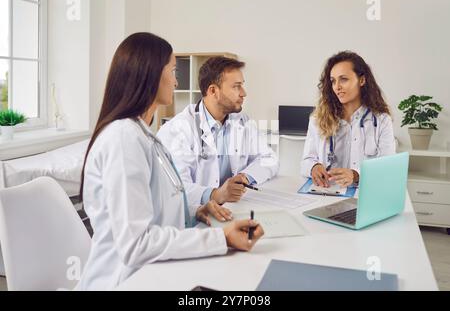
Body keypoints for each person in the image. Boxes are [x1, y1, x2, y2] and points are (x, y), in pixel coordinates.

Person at [77, 33, 264, 290]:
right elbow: (136, 244)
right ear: (150, 74)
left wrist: (194, 211)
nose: (177, 81)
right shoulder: (123, 139)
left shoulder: (144, 136)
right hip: (125, 281)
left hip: (156, 272)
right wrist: (222, 238)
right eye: (173, 71)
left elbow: (156, 205)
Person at [157, 57, 279, 207]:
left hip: (235, 208)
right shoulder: (178, 129)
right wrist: (215, 195)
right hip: (197, 218)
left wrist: (244, 177)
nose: (244, 93)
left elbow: (270, 158)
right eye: (236, 86)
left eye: (242, 86)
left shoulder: (242, 121)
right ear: (213, 91)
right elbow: (176, 187)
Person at [301, 51, 395, 188]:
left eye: (343, 79)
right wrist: (313, 167)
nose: (337, 87)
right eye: (333, 81)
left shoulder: (381, 121)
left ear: (362, 80)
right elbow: (306, 160)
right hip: (326, 193)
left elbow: (387, 166)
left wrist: (356, 175)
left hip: (363, 194)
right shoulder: (318, 119)